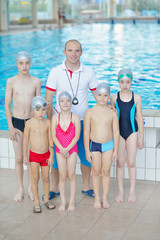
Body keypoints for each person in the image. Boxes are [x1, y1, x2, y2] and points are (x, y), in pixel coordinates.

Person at [46, 39, 98, 199]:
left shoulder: (88, 71)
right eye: (70, 50)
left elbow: (98, 97)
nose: (73, 54)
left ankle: (87, 186)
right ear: (64, 52)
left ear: (81, 52)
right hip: (60, 123)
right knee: (56, 157)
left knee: (85, 156)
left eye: (77, 51)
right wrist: (50, 123)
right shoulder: (55, 71)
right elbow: (48, 100)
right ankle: (55, 188)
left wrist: (110, 108)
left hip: (83, 122)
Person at [5, 51, 41, 202]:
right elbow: (7, 105)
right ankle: (20, 189)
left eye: (27, 63)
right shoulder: (11, 81)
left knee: (33, 159)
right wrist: (11, 127)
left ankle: (31, 188)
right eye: (21, 63)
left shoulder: (36, 81)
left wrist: (39, 124)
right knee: (19, 158)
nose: (24, 66)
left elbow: (38, 104)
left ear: (30, 64)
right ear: (17, 64)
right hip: (17, 123)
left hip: (32, 123)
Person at [84, 82, 119, 209]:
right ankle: (97, 198)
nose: (102, 98)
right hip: (95, 146)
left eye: (105, 95)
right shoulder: (90, 112)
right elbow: (86, 132)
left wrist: (115, 150)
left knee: (106, 171)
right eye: (99, 95)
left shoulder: (112, 113)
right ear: (95, 96)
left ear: (109, 96)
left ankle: (104, 198)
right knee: (96, 171)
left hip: (108, 146)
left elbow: (116, 132)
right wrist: (87, 150)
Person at [110, 68, 144, 203]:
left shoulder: (137, 98)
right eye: (122, 82)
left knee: (131, 162)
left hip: (132, 133)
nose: (125, 85)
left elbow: (139, 117)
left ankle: (132, 191)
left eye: (128, 82)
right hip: (119, 134)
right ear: (118, 82)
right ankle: (120, 191)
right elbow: (112, 118)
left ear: (132, 82)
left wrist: (141, 137)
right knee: (120, 162)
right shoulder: (114, 98)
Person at [23, 96, 55, 213]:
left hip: (45, 154)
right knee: (35, 178)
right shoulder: (29, 123)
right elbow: (25, 141)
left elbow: (51, 139)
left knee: (46, 178)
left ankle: (46, 199)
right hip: (34, 155)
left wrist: (51, 155)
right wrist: (25, 156)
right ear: (32, 110)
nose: (41, 113)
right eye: (37, 110)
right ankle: (36, 202)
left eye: (43, 109)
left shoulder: (48, 122)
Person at [52, 91, 80, 212]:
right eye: (62, 101)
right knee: (62, 176)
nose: (65, 103)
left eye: (68, 101)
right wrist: (62, 150)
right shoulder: (55, 118)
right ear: (58, 103)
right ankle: (63, 202)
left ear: (71, 103)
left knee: (71, 175)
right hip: (60, 150)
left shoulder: (75, 117)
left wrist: (67, 149)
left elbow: (77, 136)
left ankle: (72, 202)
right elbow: (53, 137)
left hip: (72, 149)